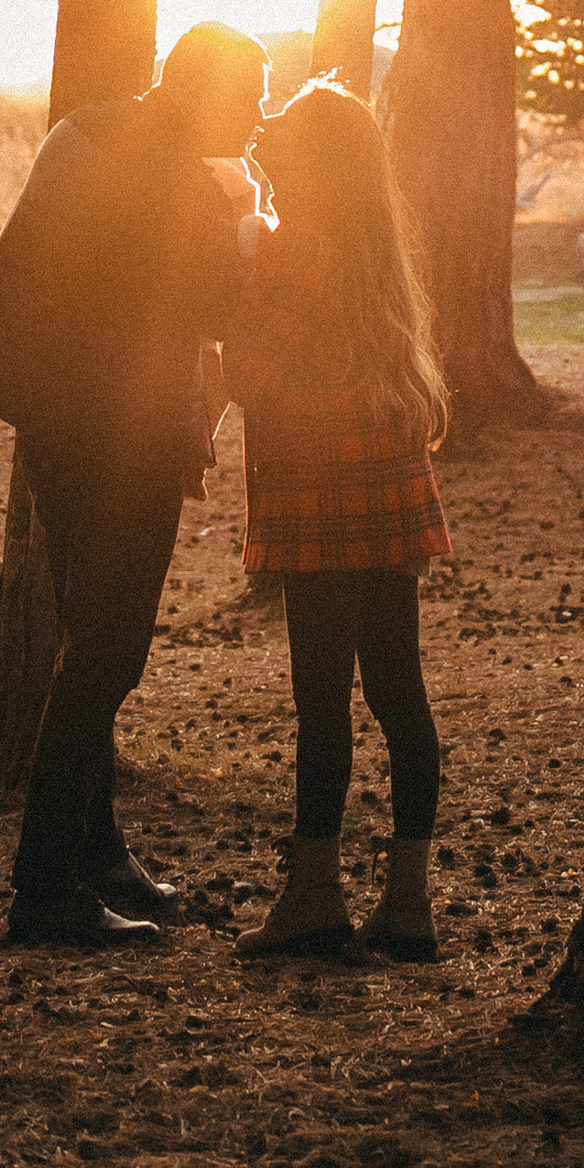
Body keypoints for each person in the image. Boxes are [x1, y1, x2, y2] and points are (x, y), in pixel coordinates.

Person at [0, 19, 269, 946]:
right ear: (205, 89)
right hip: (112, 433)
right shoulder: (163, 174)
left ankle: (97, 851)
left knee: (94, 639)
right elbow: (198, 297)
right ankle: (42, 888)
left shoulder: (97, 132)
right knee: (111, 651)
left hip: (63, 420)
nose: (259, 115)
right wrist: (244, 225)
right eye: (250, 95)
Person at [222, 78, 450, 963]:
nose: (265, 133)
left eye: (283, 132)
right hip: (388, 489)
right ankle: (409, 901)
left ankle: (314, 896)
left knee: (322, 702)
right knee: (400, 694)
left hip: (322, 496)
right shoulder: (372, 247)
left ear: (315, 160)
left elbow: (256, 372)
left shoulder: (295, 246)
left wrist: (236, 271)